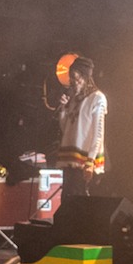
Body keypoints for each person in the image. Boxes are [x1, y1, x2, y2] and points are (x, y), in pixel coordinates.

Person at [57, 56, 107, 196]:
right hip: (69, 161)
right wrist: (63, 109)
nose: (73, 82)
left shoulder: (97, 98)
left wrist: (90, 161)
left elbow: (98, 133)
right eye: (71, 78)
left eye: (76, 78)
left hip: (85, 162)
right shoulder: (73, 99)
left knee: (81, 203)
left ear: (85, 78)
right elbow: (65, 129)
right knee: (67, 202)